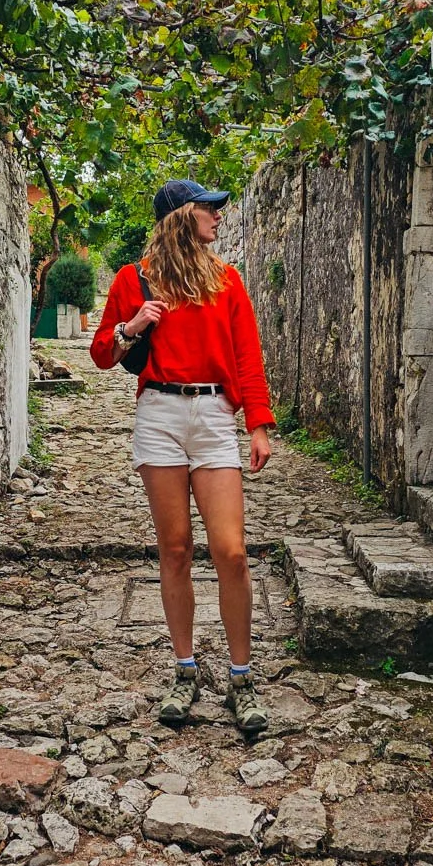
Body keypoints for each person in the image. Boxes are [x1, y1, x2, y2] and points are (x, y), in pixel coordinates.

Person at [90, 179, 275, 735]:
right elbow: (102, 354)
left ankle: (241, 678)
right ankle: (185, 669)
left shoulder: (227, 280)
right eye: (208, 208)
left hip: (214, 415)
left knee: (231, 552)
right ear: (179, 216)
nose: (218, 216)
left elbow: (247, 356)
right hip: (160, 416)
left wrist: (258, 423)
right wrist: (132, 326)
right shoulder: (133, 278)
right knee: (174, 550)